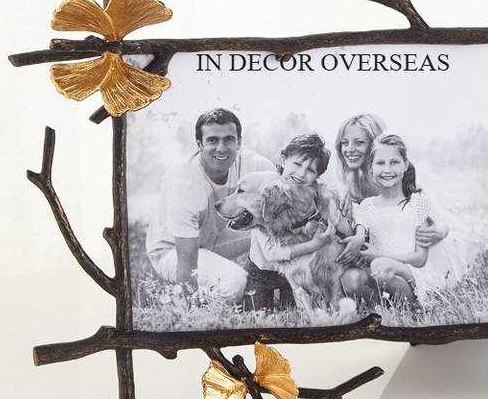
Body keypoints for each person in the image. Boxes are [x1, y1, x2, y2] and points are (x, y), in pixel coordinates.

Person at [146, 108, 273, 302]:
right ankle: (180, 298)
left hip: (214, 239)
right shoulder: (184, 182)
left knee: (272, 229)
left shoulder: (256, 167)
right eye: (213, 140)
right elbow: (187, 265)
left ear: (239, 142)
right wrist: (188, 302)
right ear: (199, 144)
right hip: (173, 250)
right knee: (237, 283)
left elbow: (285, 201)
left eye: (229, 139)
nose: (221, 148)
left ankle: (288, 285)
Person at [354, 134, 468, 306]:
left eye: (394, 162)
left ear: (405, 164)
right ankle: (386, 305)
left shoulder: (416, 202)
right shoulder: (367, 206)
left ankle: (414, 306)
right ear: (371, 168)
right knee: (353, 277)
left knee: (380, 266)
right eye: (380, 163)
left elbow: (420, 258)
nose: (387, 169)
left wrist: (379, 256)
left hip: (412, 271)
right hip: (384, 272)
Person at [332, 113, 448, 266]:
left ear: (374, 145)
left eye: (359, 142)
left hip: (407, 253)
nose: (350, 149)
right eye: (344, 143)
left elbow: (436, 216)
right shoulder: (351, 182)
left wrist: (439, 232)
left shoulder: (394, 179)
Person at [245, 134, 344, 310]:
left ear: (317, 176)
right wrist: (315, 244)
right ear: (283, 160)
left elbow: (336, 216)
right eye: (297, 164)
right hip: (262, 270)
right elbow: (272, 253)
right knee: (257, 313)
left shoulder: (313, 195)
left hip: (293, 271)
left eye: (310, 170)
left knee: (296, 309)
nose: (301, 174)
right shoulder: (267, 193)